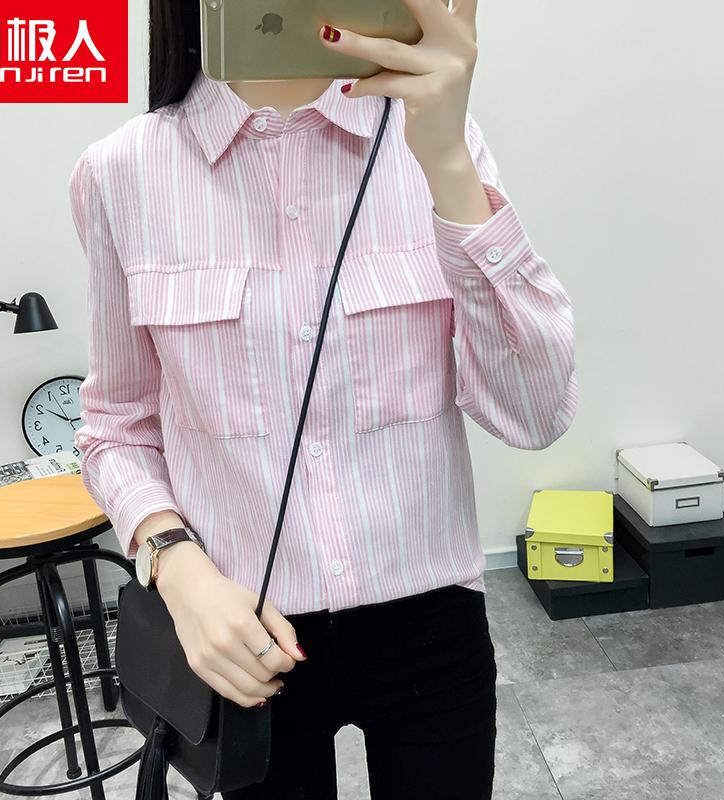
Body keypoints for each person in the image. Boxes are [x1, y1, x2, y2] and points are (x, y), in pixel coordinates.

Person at [68, 0, 577, 797]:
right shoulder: (121, 173)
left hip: (430, 622)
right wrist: (178, 570)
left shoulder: (432, 140)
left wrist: (447, 160)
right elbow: (116, 429)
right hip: (243, 634)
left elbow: (535, 413)